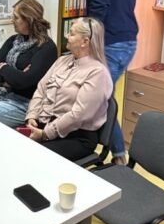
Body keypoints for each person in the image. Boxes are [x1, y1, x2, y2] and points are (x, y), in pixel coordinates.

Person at [25, 17, 113, 162]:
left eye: (71, 34)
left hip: (76, 136)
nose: (66, 36)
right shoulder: (62, 60)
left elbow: (78, 115)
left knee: (33, 158)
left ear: (85, 41)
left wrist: (45, 134)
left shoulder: (98, 73)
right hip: (46, 125)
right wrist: (32, 116)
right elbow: (41, 88)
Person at [86, 0, 138, 165]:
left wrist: (89, 37)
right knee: (102, 95)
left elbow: (99, 4)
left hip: (110, 42)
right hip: (128, 40)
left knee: (102, 97)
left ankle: (118, 155)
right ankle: (115, 152)